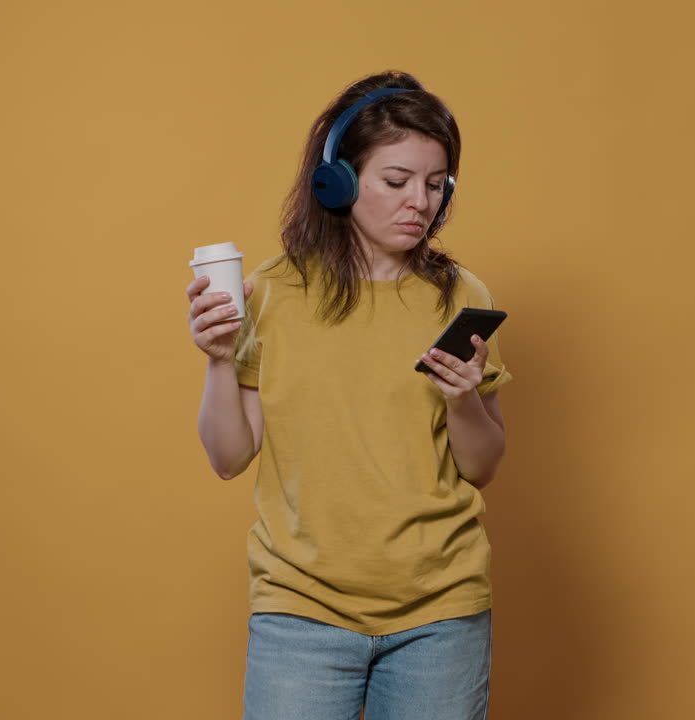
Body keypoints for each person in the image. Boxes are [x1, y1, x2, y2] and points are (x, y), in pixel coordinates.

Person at [185, 70, 513, 720]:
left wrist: (462, 399)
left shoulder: (462, 297)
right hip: (301, 612)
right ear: (336, 180)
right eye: (396, 181)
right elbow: (228, 457)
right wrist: (220, 362)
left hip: (441, 614)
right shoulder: (272, 294)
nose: (419, 201)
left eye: (435, 183)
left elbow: (483, 466)